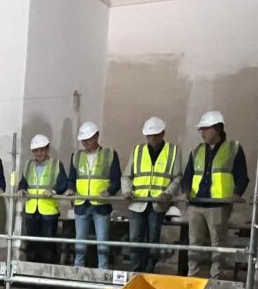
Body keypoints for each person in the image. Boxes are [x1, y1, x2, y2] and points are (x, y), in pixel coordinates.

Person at [183, 111, 250, 279]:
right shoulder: (197, 151)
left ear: (218, 129)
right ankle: (192, 276)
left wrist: (236, 193)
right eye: (201, 129)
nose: (202, 133)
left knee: (218, 244)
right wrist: (186, 192)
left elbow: (242, 176)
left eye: (206, 129)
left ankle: (216, 279)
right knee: (194, 244)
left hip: (218, 205)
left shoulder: (233, 149)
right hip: (196, 204)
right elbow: (188, 175)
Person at [121, 116, 183, 273]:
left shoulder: (172, 151)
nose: (152, 139)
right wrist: (127, 190)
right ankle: (136, 272)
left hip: (158, 204)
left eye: (155, 135)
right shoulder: (138, 150)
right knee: (135, 239)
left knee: (152, 240)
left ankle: (149, 271)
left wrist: (167, 193)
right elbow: (127, 175)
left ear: (162, 134)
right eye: (149, 136)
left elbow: (177, 177)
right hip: (137, 203)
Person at [65, 122, 121, 270]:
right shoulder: (76, 156)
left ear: (97, 136)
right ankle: (78, 269)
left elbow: (116, 179)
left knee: (102, 242)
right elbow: (71, 178)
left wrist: (110, 191)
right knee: (80, 241)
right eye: (83, 140)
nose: (85, 143)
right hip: (82, 204)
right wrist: (70, 189)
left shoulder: (109, 155)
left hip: (101, 205)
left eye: (88, 139)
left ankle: (102, 271)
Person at [17, 134, 67, 264]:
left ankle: (46, 277)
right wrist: (21, 189)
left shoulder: (56, 164)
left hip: (49, 211)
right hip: (31, 210)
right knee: (32, 244)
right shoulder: (27, 165)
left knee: (48, 245)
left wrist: (53, 190)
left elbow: (63, 184)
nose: (39, 153)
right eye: (36, 150)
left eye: (41, 149)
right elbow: (23, 182)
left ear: (47, 149)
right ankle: (31, 274)